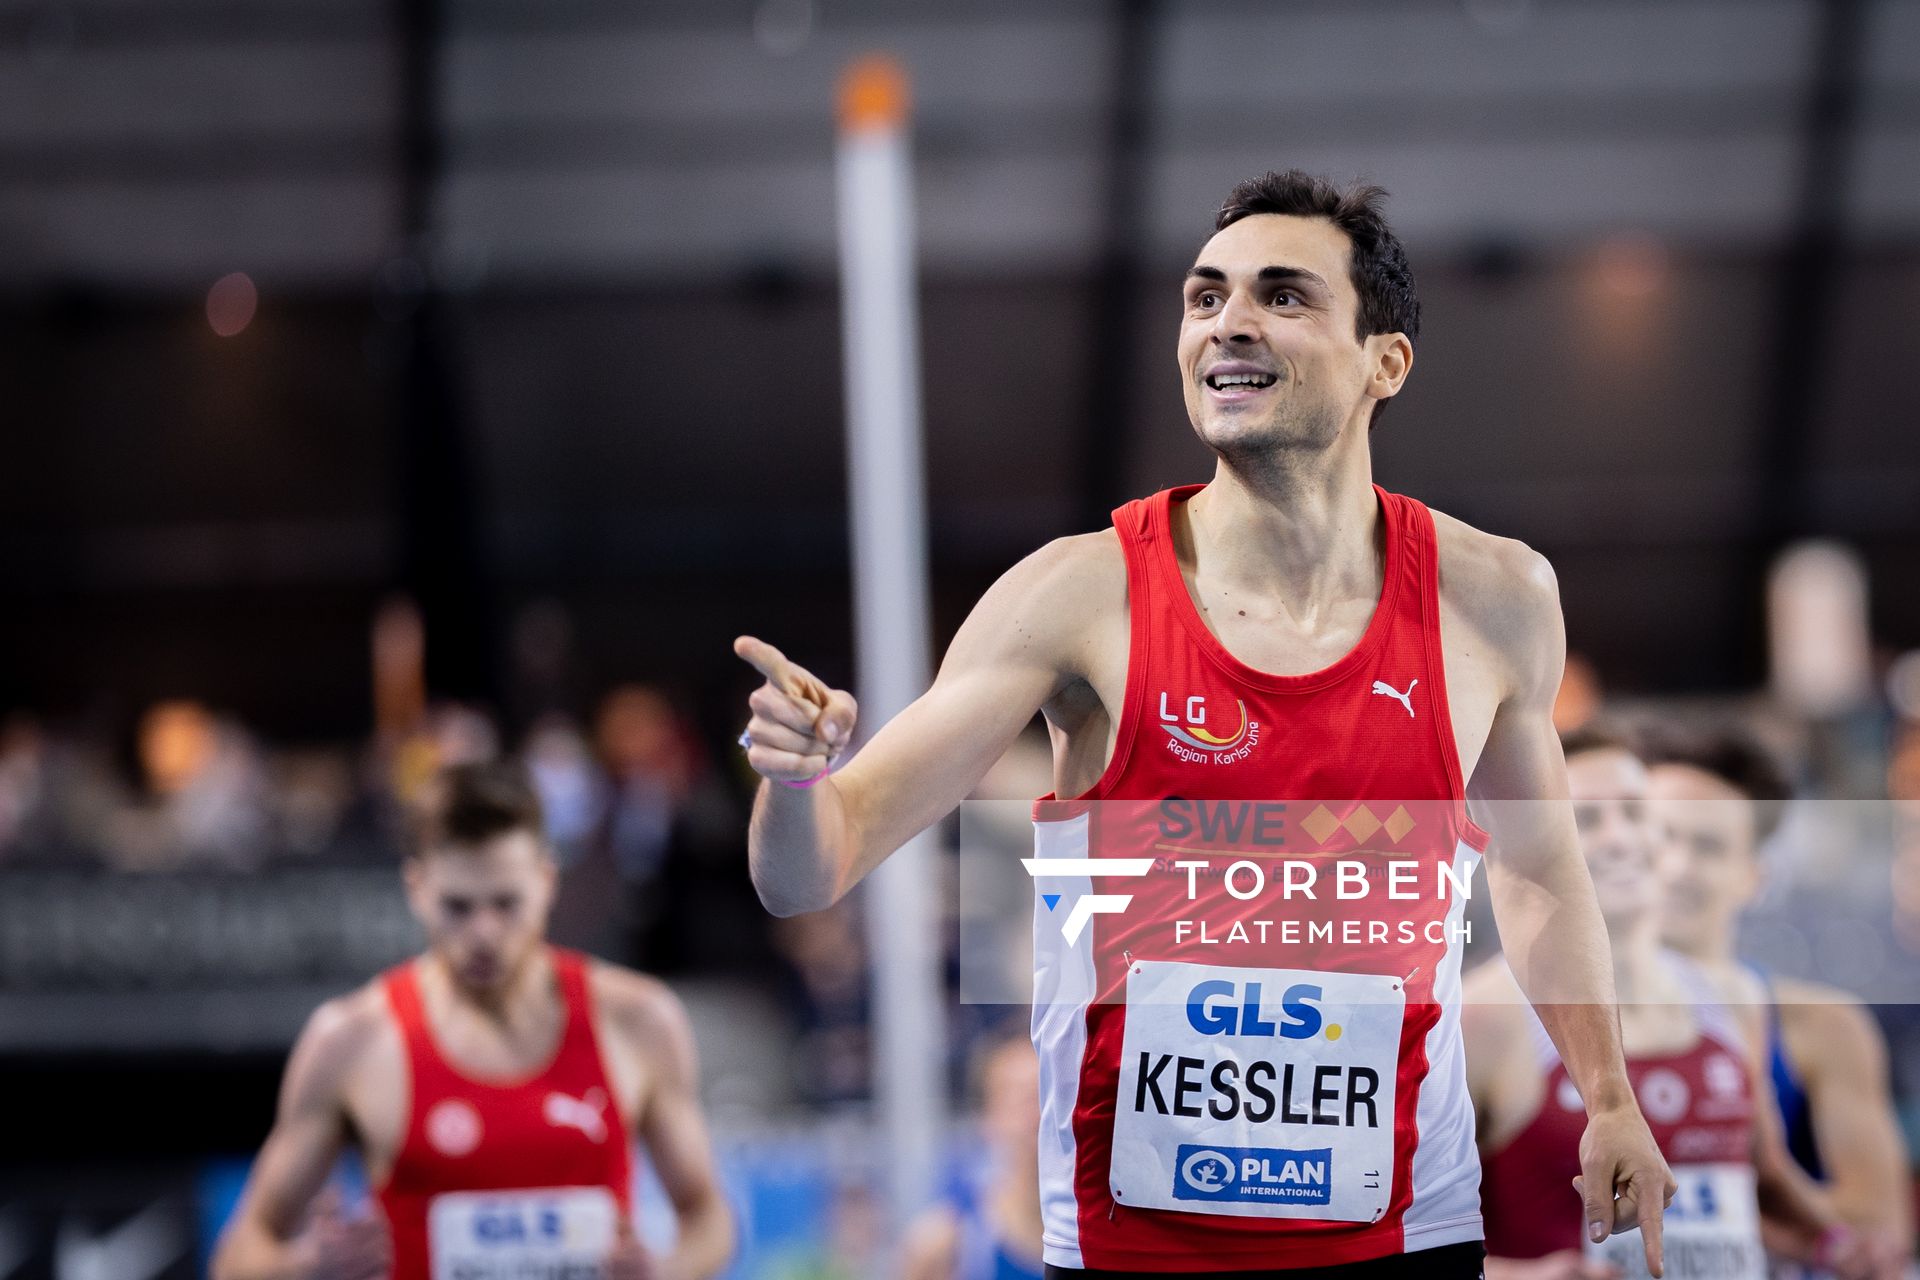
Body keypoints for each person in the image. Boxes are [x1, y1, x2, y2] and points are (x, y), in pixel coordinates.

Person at [735, 170, 1673, 1277]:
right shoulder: (1076, 597)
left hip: (1402, 1226)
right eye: (1204, 296)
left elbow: (1540, 873)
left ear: (1387, 361)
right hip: (1140, 1240)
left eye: (1283, 295)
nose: (1228, 321)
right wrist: (794, 781)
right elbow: (813, 868)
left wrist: (1609, 1091)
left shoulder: (1497, 600)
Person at [212, 761, 733, 1280]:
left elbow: (709, 1218)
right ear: (416, 889)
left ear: (547, 882)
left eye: (506, 904)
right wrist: (304, 1268)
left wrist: (667, 1272)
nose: (484, 933)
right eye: (458, 907)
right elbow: (235, 1259)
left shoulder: (636, 1018)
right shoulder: (351, 1039)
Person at [1466, 727, 1871, 1280]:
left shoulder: (1731, 997)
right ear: (1535, 846)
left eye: (1637, 814)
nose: (1620, 839)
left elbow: (1769, 1180)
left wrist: (1838, 1247)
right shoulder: (1480, 1021)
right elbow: (1395, 1238)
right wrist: (1529, 1277)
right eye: (1585, 820)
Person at [1645, 726, 1913, 1269]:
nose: (1675, 866)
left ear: (1753, 878)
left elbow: (1884, 1233)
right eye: (1658, 838)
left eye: (1708, 846)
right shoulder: (1536, 1023)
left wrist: (1771, 1175)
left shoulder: (1817, 1026)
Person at [903, 1029, 1048, 1280]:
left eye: (1045, 1096)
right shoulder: (947, 1245)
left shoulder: (1102, 1237)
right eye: (1021, 1098)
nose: (1036, 1115)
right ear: (988, 1119)